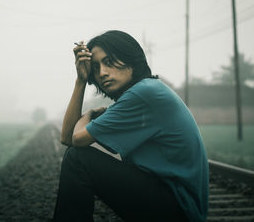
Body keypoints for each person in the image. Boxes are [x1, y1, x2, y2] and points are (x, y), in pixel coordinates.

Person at [52, 30, 208, 222]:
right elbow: (66, 137)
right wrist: (81, 80)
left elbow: (76, 140)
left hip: (178, 209)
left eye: (109, 62)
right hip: (175, 206)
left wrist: (90, 114)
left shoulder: (143, 93)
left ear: (131, 59)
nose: (102, 73)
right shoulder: (141, 94)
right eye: (95, 67)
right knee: (76, 156)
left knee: (78, 159)